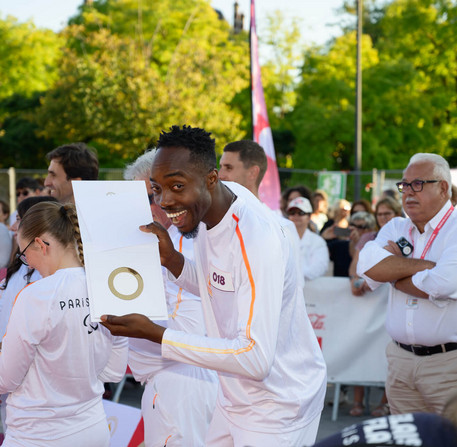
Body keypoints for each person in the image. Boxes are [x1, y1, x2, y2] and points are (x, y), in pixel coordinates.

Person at [102, 125, 327, 447]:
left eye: (177, 186)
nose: (165, 200)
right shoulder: (214, 210)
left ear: (211, 179)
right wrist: (174, 262)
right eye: (157, 189)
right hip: (233, 395)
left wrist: (156, 334)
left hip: (278, 403)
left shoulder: (255, 237)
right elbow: (220, 286)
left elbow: (254, 357)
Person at [0, 202, 128, 446]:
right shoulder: (108, 286)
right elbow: (113, 372)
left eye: (25, 253)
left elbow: (6, 379)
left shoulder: (36, 295)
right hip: (93, 428)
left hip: (37, 434)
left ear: (40, 244)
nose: (28, 263)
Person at [124, 150, 218, 447]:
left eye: (153, 194)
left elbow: (190, 333)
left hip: (180, 382)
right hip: (173, 382)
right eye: (144, 197)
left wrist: (129, 320)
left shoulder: (189, 243)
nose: (153, 205)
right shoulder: (159, 240)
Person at [357, 153, 457, 415]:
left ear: (443, 188)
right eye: (405, 185)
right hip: (400, 361)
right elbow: (366, 267)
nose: (408, 193)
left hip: (449, 364)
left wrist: (393, 271)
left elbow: (442, 284)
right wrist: (426, 267)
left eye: (418, 184)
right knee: (406, 438)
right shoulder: (396, 226)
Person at [0, 196, 58, 430]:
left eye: (20, 220)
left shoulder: (47, 275)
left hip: (30, 386)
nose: (13, 227)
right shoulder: (21, 265)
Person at [219, 140, 303, 288]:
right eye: (220, 167)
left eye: (228, 168)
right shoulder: (211, 224)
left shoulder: (283, 228)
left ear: (252, 172)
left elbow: (292, 290)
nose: (220, 175)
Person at [348, 198, 402, 418]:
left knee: (391, 358)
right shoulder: (369, 238)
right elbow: (356, 269)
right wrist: (355, 280)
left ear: (396, 213)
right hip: (367, 305)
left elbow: (399, 271)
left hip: (393, 307)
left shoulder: (403, 236)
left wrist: (373, 278)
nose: (383, 217)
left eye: (388, 213)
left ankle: (385, 403)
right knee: (361, 348)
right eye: (380, 214)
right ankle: (358, 401)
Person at [286, 197, 329, 281]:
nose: (296, 216)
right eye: (292, 213)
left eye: (301, 213)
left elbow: (319, 267)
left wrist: (294, 276)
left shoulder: (318, 241)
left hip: (311, 291)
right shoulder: (282, 239)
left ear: (309, 217)